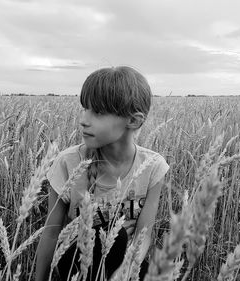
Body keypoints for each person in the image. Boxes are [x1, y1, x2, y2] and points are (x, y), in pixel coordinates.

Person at [35, 66, 169, 281]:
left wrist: (125, 272)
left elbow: (144, 236)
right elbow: (51, 233)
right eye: (84, 108)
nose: (84, 120)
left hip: (125, 265)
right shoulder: (68, 163)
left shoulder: (153, 166)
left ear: (133, 120)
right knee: (98, 236)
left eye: (97, 112)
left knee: (121, 242)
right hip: (76, 264)